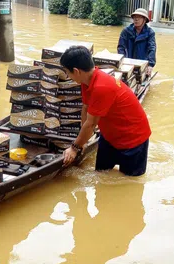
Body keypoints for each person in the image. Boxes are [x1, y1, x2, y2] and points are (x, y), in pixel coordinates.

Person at [60, 46, 151, 176]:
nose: (67, 76)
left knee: (129, 184)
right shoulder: (86, 81)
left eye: (67, 72)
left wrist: (74, 148)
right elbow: (86, 108)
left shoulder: (101, 87)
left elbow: (91, 124)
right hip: (110, 136)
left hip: (133, 139)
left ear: (76, 71)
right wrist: (82, 142)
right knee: (100, 175)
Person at [117, 8, 156, 76]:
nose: (136, 19)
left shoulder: (150, 33)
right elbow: (121, 47)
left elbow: (152, 48)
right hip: (128, 62)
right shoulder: (126, 31)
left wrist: (150, 65)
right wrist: (122, 61)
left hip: (142, 64)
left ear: (144, 20)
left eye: (139, 17)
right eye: (134, 17)